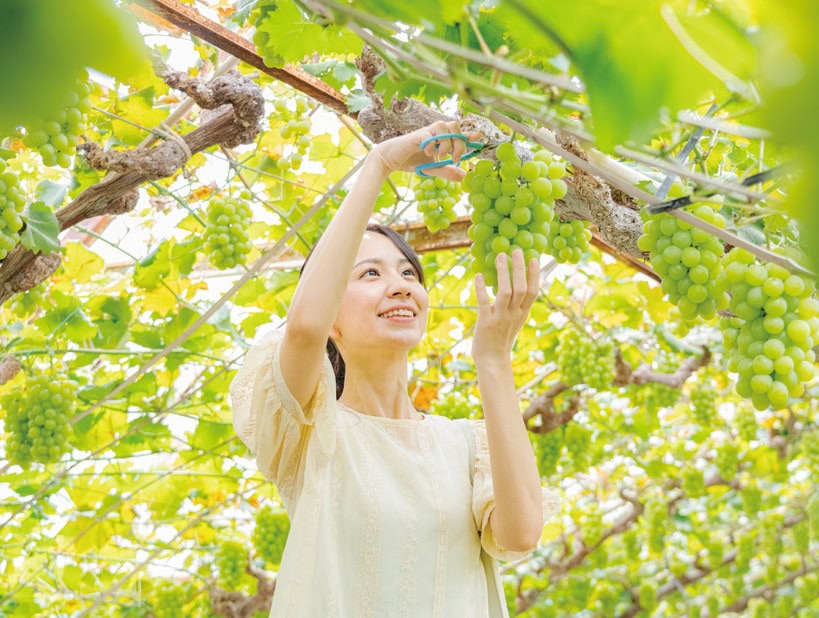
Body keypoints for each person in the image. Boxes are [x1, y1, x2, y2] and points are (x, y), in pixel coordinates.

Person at [230, 120, 559, 617]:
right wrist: (379, 164)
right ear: (332, 321)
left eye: (409, 273)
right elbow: (302, 329)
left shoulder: (464, 444)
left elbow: (520, 533)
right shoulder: (309, 431)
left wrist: (494, 361)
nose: (402, 285)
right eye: (370, 274)